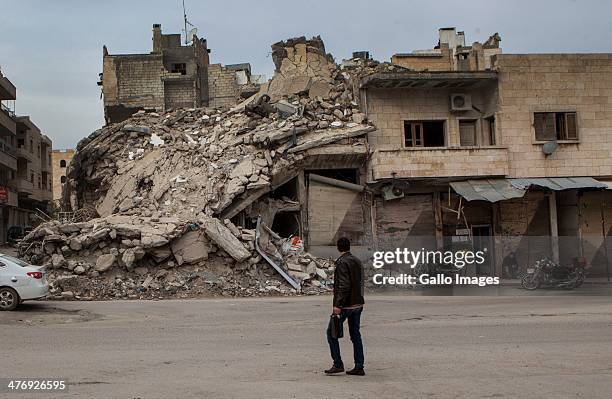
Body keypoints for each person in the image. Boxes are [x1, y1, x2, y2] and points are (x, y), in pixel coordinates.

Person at [325, 237, 365, 376]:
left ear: (338, 247)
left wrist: (338, 305)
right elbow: (360, 282)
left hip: (346, 306)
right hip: (358, 304)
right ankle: (359, 366)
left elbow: (344, 285)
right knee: (355, 335)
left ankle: (338, 364)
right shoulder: (357, 261)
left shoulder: (342, 263)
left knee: (331, 333)